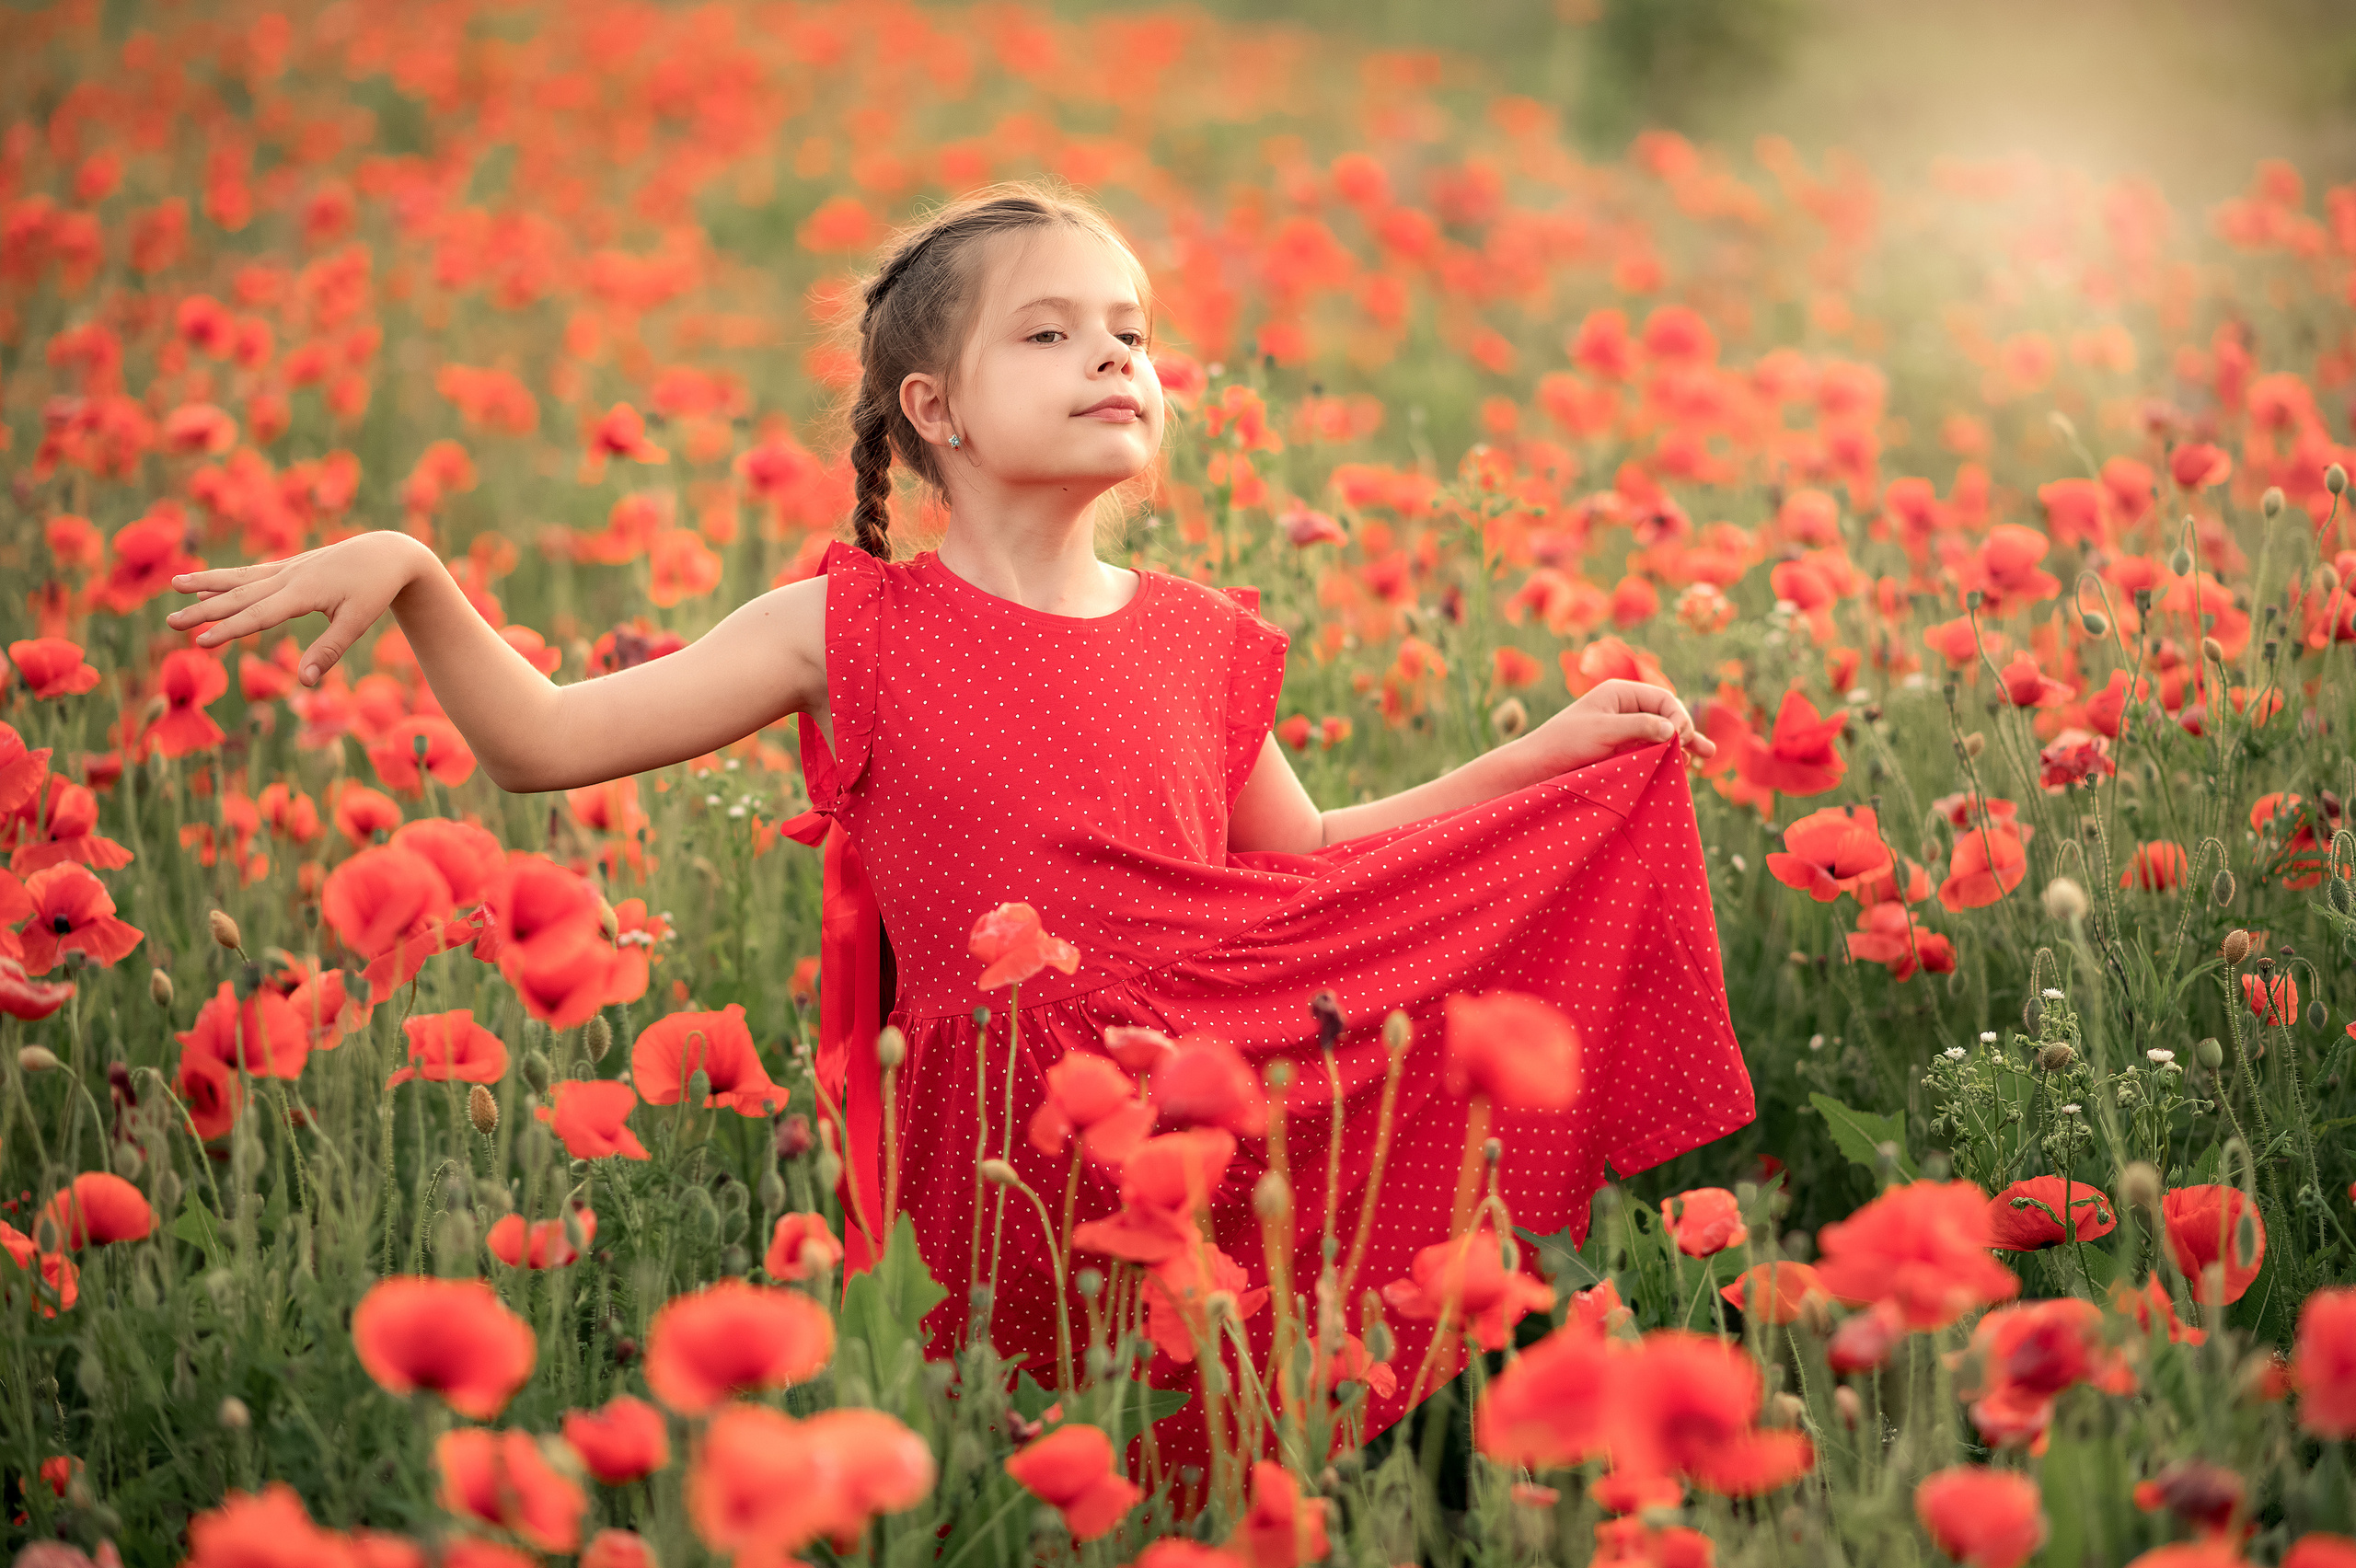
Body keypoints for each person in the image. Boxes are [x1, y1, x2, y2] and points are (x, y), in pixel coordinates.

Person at [167, 179, 1753, 1481]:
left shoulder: (1203, 634)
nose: (1115, 358)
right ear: (934, 408)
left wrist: (1534, 764)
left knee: (1244, 1447)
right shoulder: (841, 625)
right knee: (1037, 1467)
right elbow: (543, 745)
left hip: (1222, 1081)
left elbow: (1309, 855)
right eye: (1053, 332)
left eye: (1132, 331)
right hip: (995, 1137)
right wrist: (415, 570)